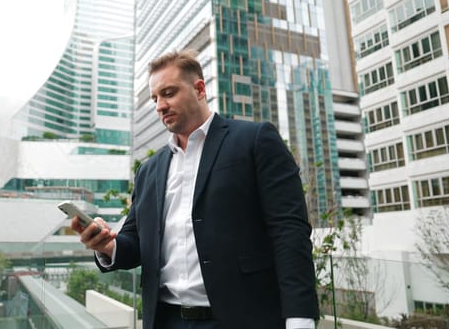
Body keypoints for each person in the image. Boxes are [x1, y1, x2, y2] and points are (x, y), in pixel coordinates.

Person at [71, 49, 319, 329]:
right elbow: (136, 242)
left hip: (244, 319)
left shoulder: (255, 141)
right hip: (166, 320)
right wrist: (107, 246)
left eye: (168, 93)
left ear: (199, 88)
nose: (159, 106)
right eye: (155, 98)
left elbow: (290, 232)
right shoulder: (148, 171)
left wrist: (300, 318)